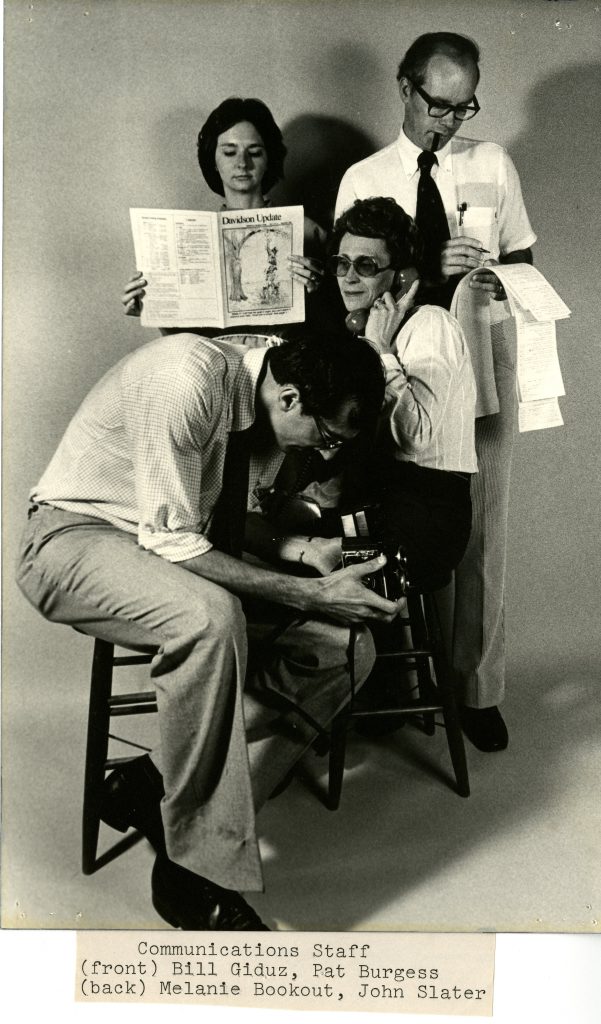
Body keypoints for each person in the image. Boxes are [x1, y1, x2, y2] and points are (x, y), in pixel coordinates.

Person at [16, 328, 402, 931]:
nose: (326, 453)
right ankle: (192, 872)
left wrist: (304, 551)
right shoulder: (187, 380)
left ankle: (152, 783)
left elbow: (220, 523)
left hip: (163, 546)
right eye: (327, 436)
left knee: (347, 648)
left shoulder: (268, 385)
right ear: (293, 398)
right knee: (210, 618)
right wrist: (308, 592)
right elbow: (176, 540)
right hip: (73, 538)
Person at [336, 33, 537, 753]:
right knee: (396, 510)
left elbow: (524, 263)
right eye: (436, 104)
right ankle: (389, 679)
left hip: (481, 348)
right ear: (404, 86)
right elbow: (351, 288)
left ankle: (477, 689)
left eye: (463, 107)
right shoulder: (363, 176)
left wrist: (483, 276)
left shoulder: (491, 164)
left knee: (485, 522)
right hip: (400, 355)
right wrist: (425, 263)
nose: (448, 121)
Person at [327, 196, 477, 592]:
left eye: (366, 265)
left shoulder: (431, 325)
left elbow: (415, 437)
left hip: (428, 514)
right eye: (342, 264)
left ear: (402, 277)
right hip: (383, 501)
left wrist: (380, 349)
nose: (348, 277)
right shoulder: (358, 337)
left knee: (309, 567)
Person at [122, 97, 326, 332]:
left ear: (269, 159)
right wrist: (152, 306)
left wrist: (316, 293)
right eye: (230, 152)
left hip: (283, 358)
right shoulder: (186, 239)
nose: (243, 163)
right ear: (214, 161)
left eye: (255, 152)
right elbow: (186, 339)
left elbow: (334, 325)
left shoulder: (307, 231)